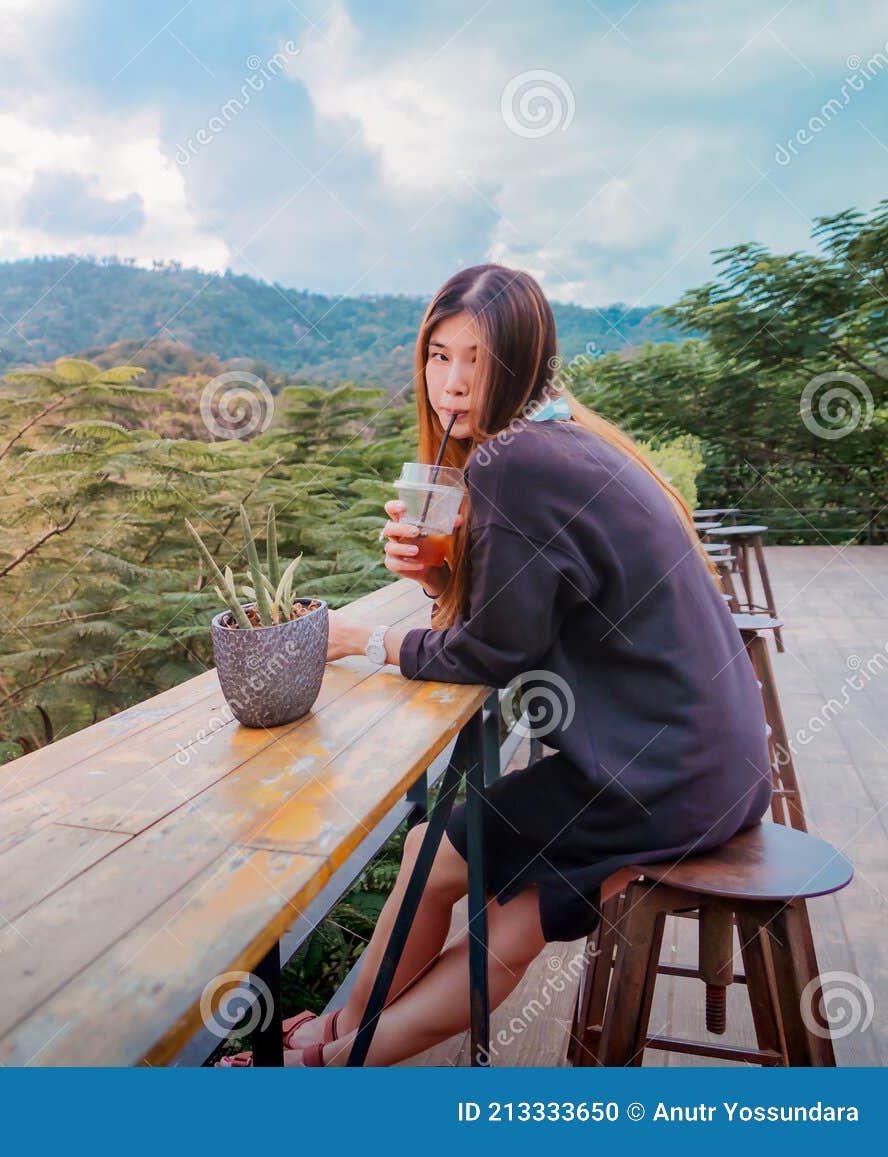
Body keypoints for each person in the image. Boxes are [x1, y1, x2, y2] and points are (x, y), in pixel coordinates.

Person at [224, 263, 771, 1067]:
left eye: (476, 359)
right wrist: (437, 574)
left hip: (655, 775)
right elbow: (523, 613)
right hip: (713, 763)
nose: (453, 382)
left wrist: (357, 639)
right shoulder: (564, 438)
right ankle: (334, 1048)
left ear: (521, 360)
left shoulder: (511, 462)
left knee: (428, 860)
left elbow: (496, 650)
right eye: (438, 355)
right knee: (496, 913)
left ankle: (318, 1062)